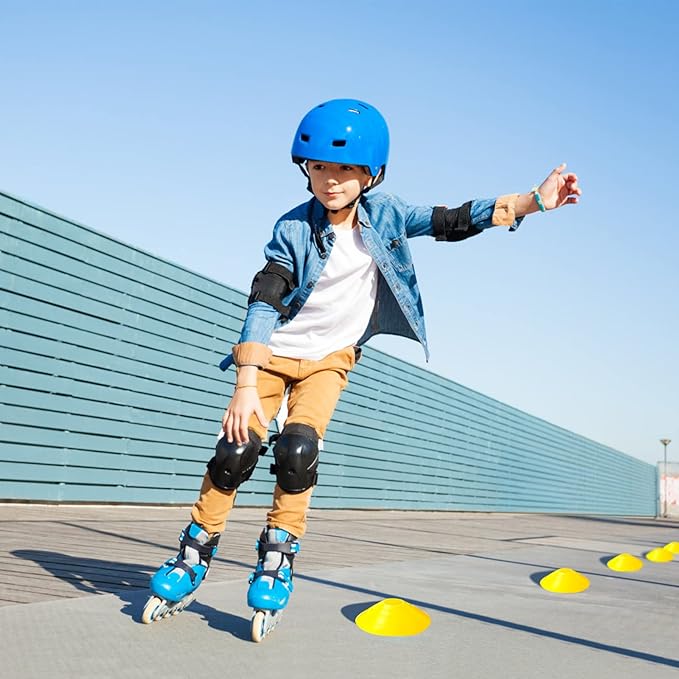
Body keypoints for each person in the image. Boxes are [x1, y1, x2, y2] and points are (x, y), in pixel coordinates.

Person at [142, 98, 581, 639]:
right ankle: (195, 550)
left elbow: (455, 219)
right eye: (319, 167)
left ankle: (277, 556)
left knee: (298, 450)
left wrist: (535, 201)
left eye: (345, 169)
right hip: (273, 356)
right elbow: (264, 299)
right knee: (236, 450)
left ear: (370, 174)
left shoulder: (388, 214)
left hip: (329, 360)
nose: (330, 180)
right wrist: (246, 383)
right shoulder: (292, 228)